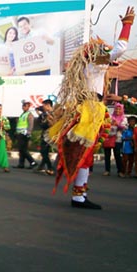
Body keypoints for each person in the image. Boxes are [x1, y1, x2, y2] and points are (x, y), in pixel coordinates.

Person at [47, 6, 134, 209]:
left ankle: (80, 193)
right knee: (86, 154)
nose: (106, 51)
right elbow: (120, 48)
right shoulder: (96, 63)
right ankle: (79, 196)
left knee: (86, 154)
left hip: (89, 108)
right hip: (91, 110)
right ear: (95, 54)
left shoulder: (89, 66)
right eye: (103, 49)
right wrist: (127, 25)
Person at [102, 103, 126, 177]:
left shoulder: (124, 118)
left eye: (119, 109)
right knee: (107, 155)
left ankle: (120, 171)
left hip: (117, 139)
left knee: (117, 155)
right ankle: (107, 170)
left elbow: (125, 127)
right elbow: (105, 125)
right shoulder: (110, 117)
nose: (118, 110)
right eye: (116, 109)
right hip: (108, 138)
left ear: (122, 110)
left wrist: (117, 124)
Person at [14, 100, 37, 169]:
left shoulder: (29, 114)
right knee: (21, 149)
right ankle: (21, 164)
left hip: (25, 134)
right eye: (23, 106)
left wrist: (29, 133)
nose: (24, 107)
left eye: (25, 106)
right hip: (20, 133)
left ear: (28, 107)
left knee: (23, 149)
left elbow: (30, 125)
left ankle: (32, 162)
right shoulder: (22, 114)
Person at [36, 99, 54, 175]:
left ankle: (50, 168)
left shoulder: (54, 113)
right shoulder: (44, 114)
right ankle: (41, 167)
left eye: (44, 106)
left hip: (51, 135)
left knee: (44, 151)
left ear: (48, 105)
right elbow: (41, 123)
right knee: (44, 151)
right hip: (45, 134)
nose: (42, 107)